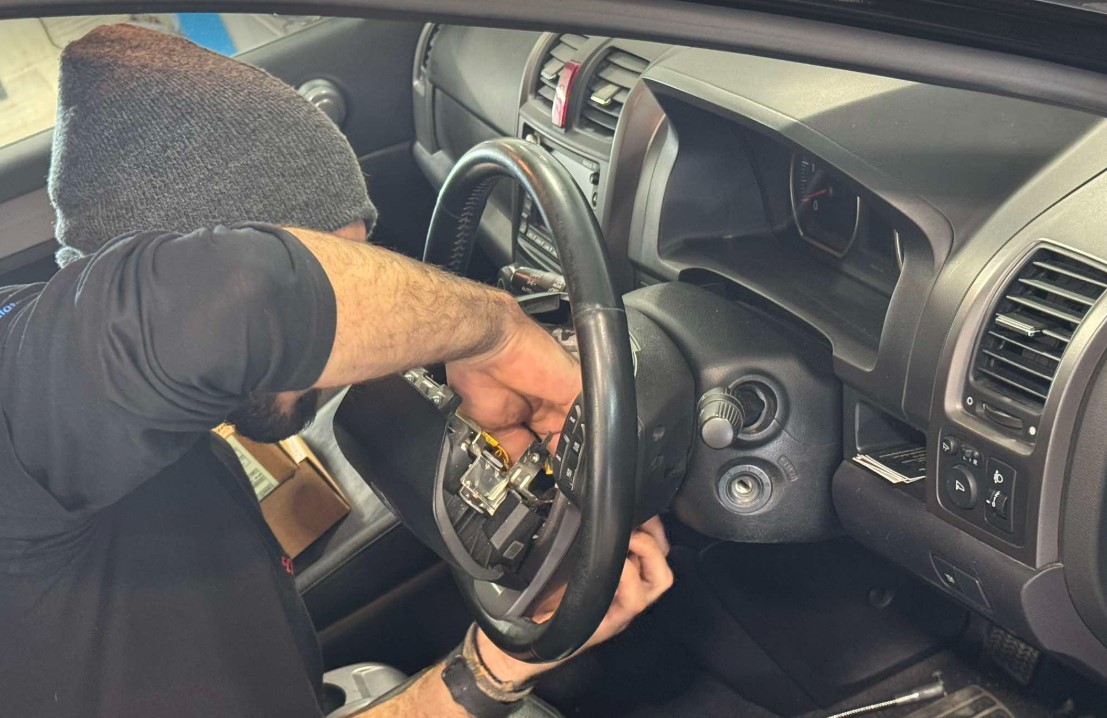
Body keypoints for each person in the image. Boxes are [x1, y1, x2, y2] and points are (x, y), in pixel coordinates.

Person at [0, 23, 673, 718]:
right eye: (333, 268)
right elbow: (236, 295)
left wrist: (494, 670)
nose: (335, 372)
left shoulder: (162, 451)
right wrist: (497, 336)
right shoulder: (16, 415)